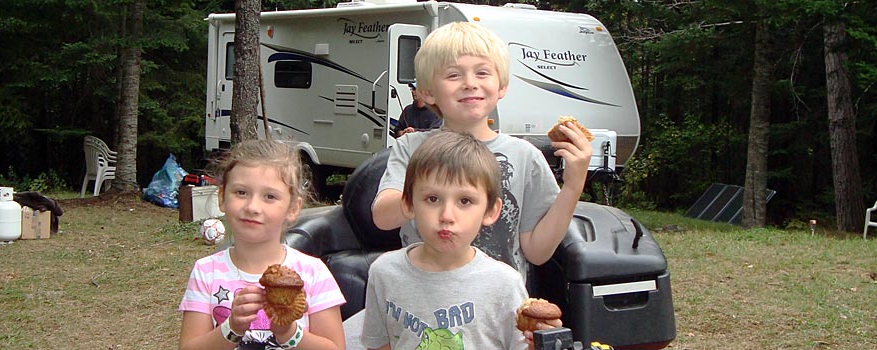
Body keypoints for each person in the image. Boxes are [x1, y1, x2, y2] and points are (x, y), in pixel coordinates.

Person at [372, 22, 593, 279]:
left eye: (482, 73)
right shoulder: (410, 148)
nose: (469, 83)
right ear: (428, 92)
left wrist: (573, 187)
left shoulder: (525, 157)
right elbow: (383, 217)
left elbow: (537, 252)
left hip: (498, 304)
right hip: (421, 297)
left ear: (501, 87)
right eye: (453, 75)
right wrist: (432, 191)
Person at [361, 131, 530, 349]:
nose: (447, 215)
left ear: (491, 210)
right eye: (432, 199)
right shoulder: (384, 273)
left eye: (465, 200)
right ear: (409, 204)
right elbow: (379, 344)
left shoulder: (505, 284)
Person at [179, 140, 347, 350]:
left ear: (293, 208)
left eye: (270, 196)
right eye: (241, 192)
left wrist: (289, 333)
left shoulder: (313, 273)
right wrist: (231, 328)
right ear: (222, 197)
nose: (253, 207)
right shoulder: (206, 272)